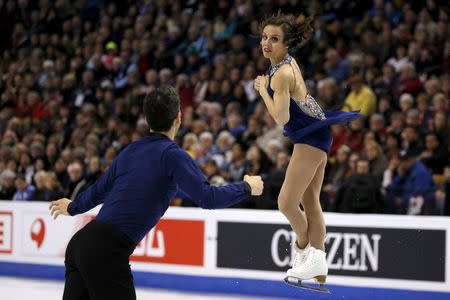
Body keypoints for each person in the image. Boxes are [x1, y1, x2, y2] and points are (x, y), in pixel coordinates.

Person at [49, 86, 264, 300]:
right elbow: (208, 197)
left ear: (147, 118)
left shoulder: (131, 150)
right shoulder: (173, 156)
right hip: (106, 253)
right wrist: (246, 187)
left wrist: (73, 207)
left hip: (81, 244)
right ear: (178, 118)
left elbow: (99, 190)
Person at [254, 12, 361, 285]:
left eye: (275, 39)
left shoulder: (281, 74)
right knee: (310, 202)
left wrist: (263, 91)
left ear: (287, 44)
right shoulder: (284, 64)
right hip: (317, 134)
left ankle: (305, 250)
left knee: (286, 202)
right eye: (265, 37)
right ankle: (320, 267)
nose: (267, 43)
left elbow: (281, 118)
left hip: (310, 138)